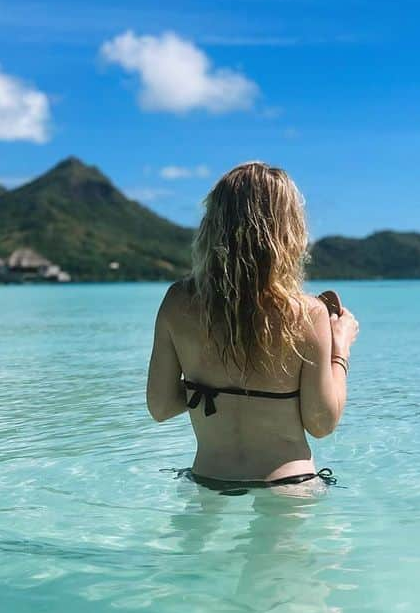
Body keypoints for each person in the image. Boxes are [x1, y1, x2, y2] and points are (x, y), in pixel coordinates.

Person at [147, 162, 359, 494]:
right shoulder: (307, 313)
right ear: (288, 230)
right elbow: (321, 424)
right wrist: (340, 347)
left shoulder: (177, 302)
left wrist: (213, 383)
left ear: (212, 225)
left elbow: (160, 407)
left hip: (208, 479)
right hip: (289, 483)